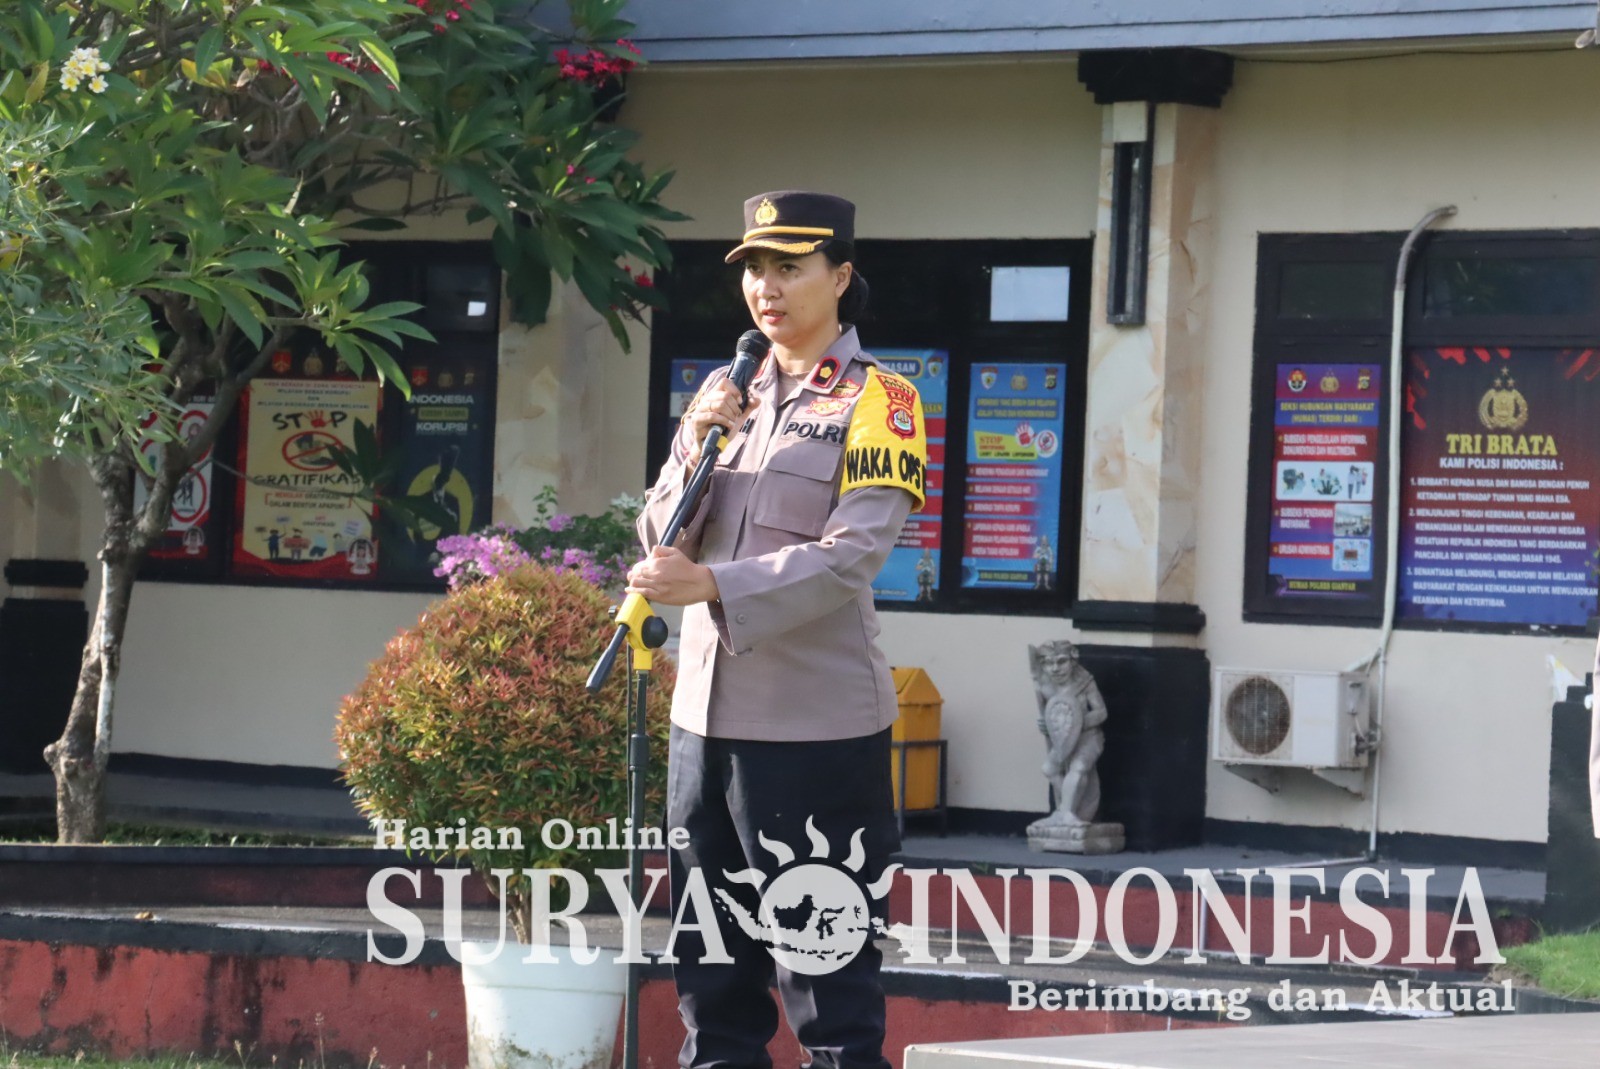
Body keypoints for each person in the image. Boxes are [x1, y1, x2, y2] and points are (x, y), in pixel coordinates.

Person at [628, 191, 927, 1069]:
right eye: (755, 268)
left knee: (827, 986)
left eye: (789, 267)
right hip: (702, 724)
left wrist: (712, 584)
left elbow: (852, 556)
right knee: (712, 982)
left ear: (840, 277)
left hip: (813, 732)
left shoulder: (882, 400)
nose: (767, 285)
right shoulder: (727, 393)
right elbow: (658, 537)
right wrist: (694, 441)